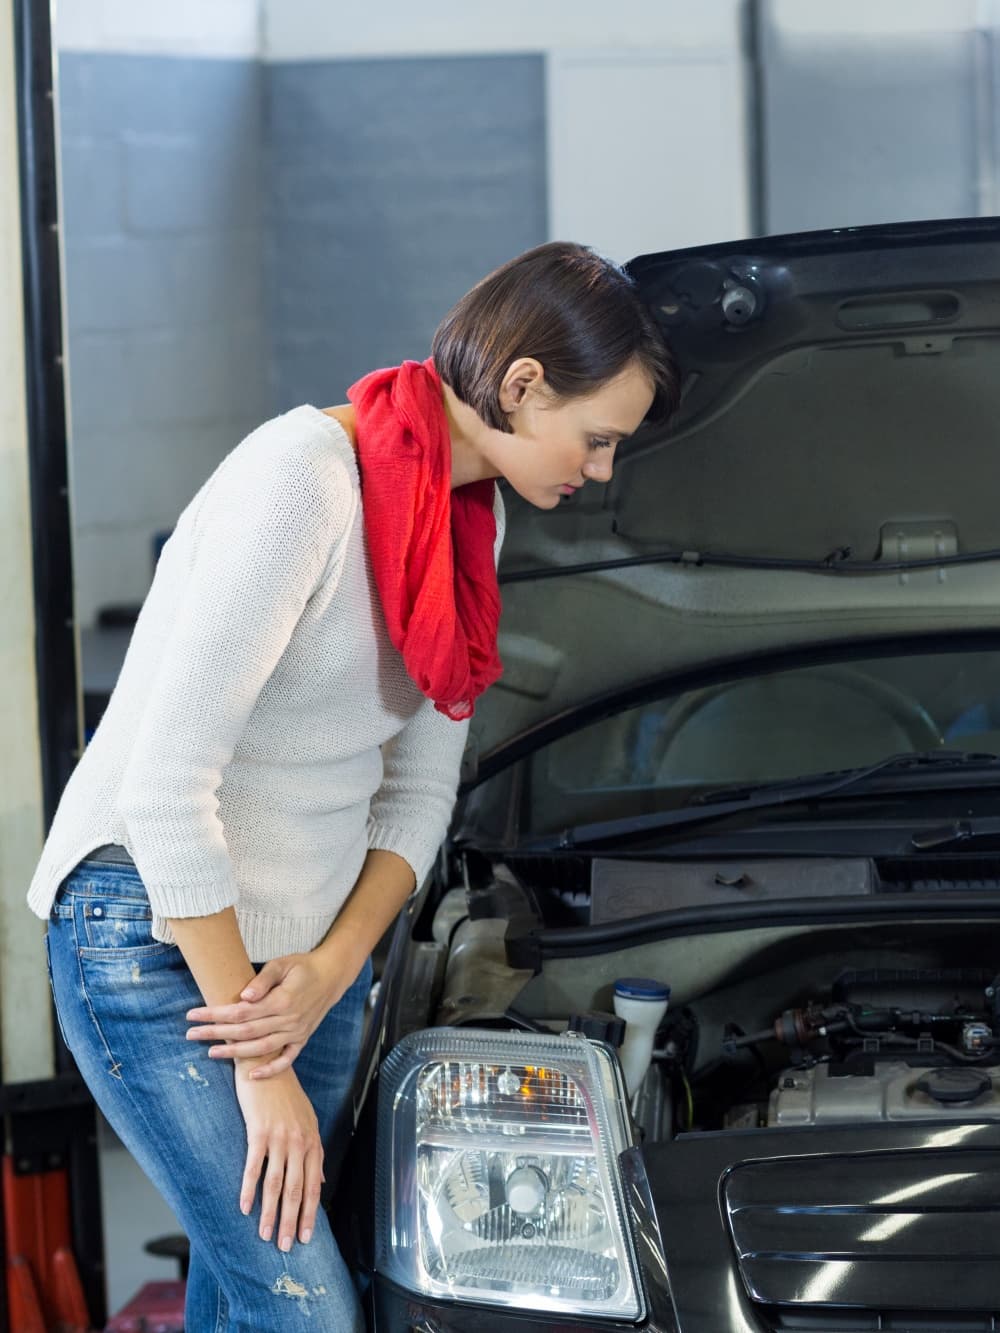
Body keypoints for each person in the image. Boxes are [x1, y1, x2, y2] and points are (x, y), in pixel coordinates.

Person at [26, 241, 679, 1329]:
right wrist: (262, 1057)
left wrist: (332, 970)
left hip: (306, 959)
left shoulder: (473, 517)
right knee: (307, 1309)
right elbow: (163, 783)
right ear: (520, 387)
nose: (601, 470)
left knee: (243, 1302)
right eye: (597, 438)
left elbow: (416, 798)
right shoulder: (303, 480)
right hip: (151, 932)